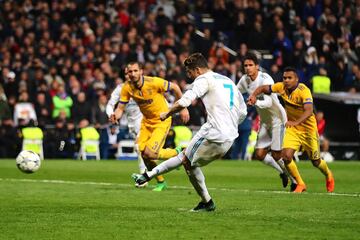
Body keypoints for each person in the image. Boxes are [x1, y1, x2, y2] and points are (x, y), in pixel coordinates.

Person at [132, 53, 247, 211]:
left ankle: (206, 202)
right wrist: (230, 124)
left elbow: (186, 100)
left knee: (185, 159)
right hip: (230, 135)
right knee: (188, 161)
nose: (190, 76)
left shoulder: (203, 79)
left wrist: (167, 113)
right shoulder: (227, 80)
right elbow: (243, 112)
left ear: (198, 70)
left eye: (190, 72)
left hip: (214, 132)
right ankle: (205, 201)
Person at [247, 66, 335, 193]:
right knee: (286, 156)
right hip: (293, 129)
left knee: (316, 162)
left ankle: (328, 175)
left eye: (290, 78)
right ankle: (300, 183)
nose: (286, 80)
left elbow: (309, 110)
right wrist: (254, 95)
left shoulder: (303, 90)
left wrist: (295, 122)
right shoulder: (281, 87)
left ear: (296, 79)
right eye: (285, 78)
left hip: (308, 130)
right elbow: (263, 88)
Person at [109, 62, 189, 191]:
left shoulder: (153, 82)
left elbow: (175, 87)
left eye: (136, 71)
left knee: (150, 153)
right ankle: (161, 182)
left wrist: (183, 107)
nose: (133, 74)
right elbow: (120, 108)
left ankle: (177, 152)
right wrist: (115, 116)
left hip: (161, 121)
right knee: (142, 152)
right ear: (127, 73)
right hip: (146, 122)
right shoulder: (127, 88)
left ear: (141, 71)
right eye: (130, 72)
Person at [237, 53, 296, 189]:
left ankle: (295, 181)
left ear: (257, 66)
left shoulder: (265, 79)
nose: (248, 68)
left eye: (251, 65)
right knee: (259, 154)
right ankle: (283, 172)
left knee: (277, 155)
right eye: (245, 65)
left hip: (278, 119)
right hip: (265, 121)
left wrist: (255, 101)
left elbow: (269, 102)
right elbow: (235, 92)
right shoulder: (244, 80)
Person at [106, 69, 147, 187]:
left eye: (133, 71)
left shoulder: (144, 85)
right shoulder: (120, 89)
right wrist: (111, 114)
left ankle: (144, 178)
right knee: (147, 152)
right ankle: (174, 155)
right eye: (127, 73)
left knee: (139, 148)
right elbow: (110, 104)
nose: (130, 75)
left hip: (146, 122)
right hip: (133, 125)